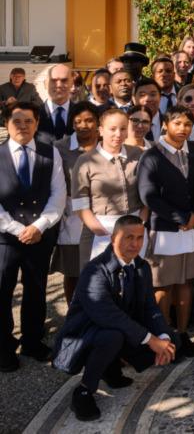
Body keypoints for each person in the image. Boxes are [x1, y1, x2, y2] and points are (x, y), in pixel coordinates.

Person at [51, 216, 175, 422]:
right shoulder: (94, 270)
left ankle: (110, 367)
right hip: (83, 335)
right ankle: (83, 391)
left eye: (139, 238)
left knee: (172, 343)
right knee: (113, 335)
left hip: (118, 330)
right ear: (113, 239)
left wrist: (163, 336)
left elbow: (150, 307)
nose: (135, 244)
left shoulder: (141, 267)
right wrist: (150, 340)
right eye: (128, 238)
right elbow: (107, 315)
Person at [0, 100, 65, 371]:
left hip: (40, 236)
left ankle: (32, 341)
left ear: (37, 123)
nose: (23, 126)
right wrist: (17, 229)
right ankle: (3, 347)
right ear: (6, 124)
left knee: (36, 289)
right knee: (2, 292)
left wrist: (39, 227)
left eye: (29, 121)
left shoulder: (51, 154)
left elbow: (58, 194)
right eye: (16, 121)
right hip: (5, 237)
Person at [136, 107, 194, 358]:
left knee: (186, 282)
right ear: (165, 124)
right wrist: (182, 218)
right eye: (177, 123)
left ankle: (183, 334)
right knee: (163, 285)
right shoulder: (152, 155)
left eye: (187, 123)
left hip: (193, 228)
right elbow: (148, 195)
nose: (182, 128)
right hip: (164, 230)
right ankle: (164, 338)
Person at [73, 108, 146, 268]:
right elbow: (80, 204)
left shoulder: (138, 154)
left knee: (133, 282)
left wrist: (142, 222)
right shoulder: (85, 160)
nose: (118, 134)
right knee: (99, 285)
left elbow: (148, 193)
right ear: (101, 130)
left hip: (134, 230)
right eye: (112, 129)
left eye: (122, 129)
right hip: (99, 230)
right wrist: (102, 232)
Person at [52, 102, 99, 303]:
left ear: (98, 122)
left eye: (89, 120)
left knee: (99, 270)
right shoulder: (60, 147)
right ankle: (73, 314)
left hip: (102, 213)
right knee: (72, 272)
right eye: (78, 121)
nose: (83, 125)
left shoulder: (108, 143)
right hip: (72, 217)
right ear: (71, 123)